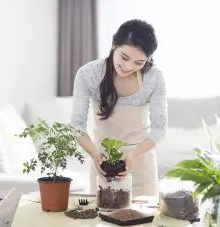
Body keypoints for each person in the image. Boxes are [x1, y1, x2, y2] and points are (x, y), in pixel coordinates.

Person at [71, 19, 168, 197]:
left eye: (139, 63)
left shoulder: (154, 78)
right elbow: (76, 125)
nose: (128, 67)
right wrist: (94, 154)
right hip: (103, 165)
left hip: (141, 165)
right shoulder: (88, 75)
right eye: (124, 57)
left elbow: (160, 129)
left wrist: (132, 154)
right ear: (114, 45)